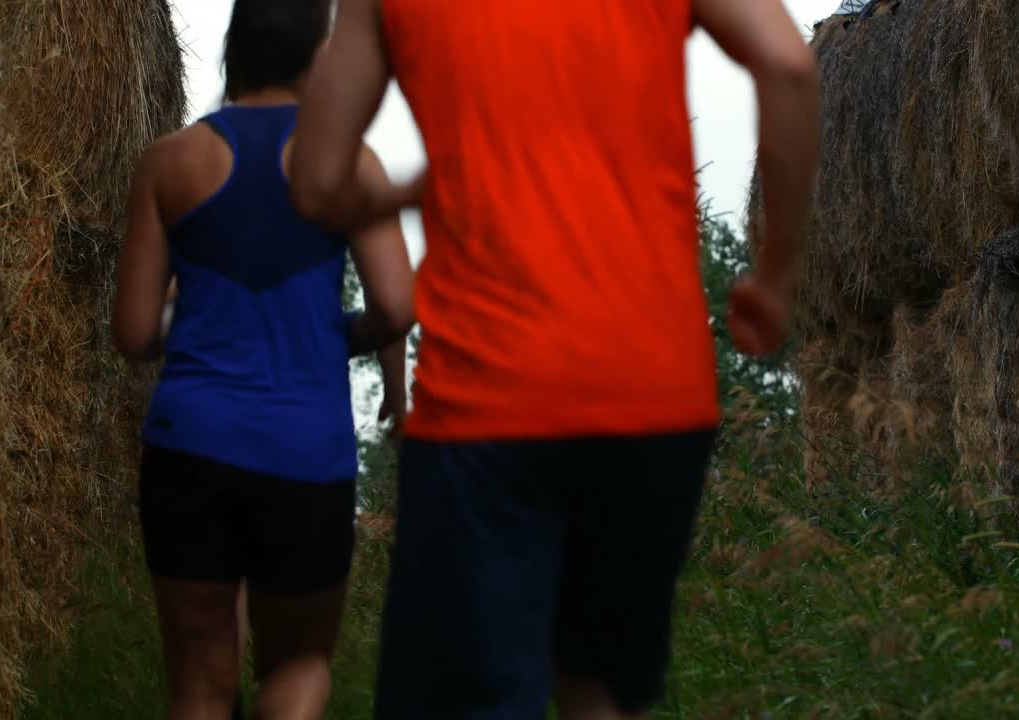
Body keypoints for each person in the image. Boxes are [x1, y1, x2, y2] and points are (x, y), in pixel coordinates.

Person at [291, 0, 819, 717]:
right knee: (599, 695)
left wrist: (405, 190)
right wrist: (775, 273)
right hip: (651, 393)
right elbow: (788, 63)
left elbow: (317, 179)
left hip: (484, 402)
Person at [112, 0, 414, 717]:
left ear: (233, 49)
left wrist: (188, 328)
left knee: (199, 684)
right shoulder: (345, 161)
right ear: (318, 60)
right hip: (304, 453)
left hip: (191, 449)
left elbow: (131, 333)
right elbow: (398, 307)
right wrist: (330, 333)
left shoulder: (168, 162)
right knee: (299, 668)